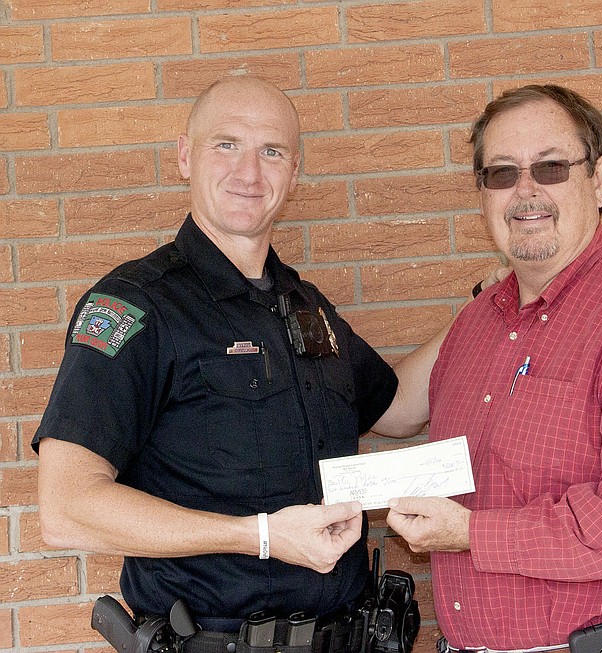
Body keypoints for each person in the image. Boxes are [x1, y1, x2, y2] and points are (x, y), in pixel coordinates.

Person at [32, 76, 438, 648]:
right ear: (184, 157)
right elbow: (67, 508)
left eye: (271, 152)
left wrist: (494, 305)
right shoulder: (136, 306)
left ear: (293, 174)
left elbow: (397, 409)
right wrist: (263, 536)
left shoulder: (305, 306)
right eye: (226, 144)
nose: (249, 173)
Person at [386, 84, 602, 653]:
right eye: (501, 173)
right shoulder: (477, 325)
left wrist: (473, 534)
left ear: (598, 180)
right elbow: (402, 415)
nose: (525, 191)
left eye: (550, 167)